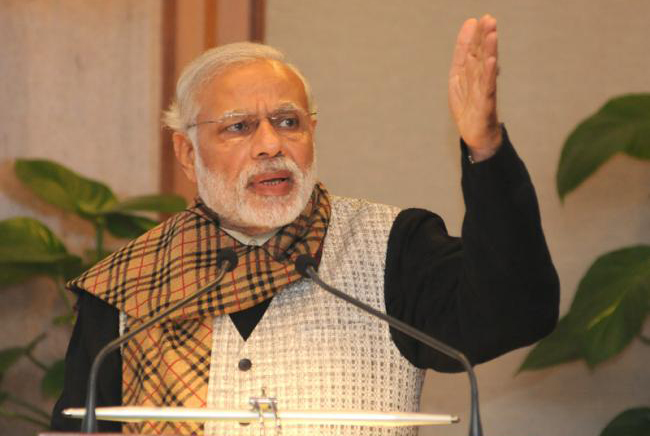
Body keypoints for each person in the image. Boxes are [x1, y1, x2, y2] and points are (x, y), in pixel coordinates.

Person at [52, 15, 559, 436]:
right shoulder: (129, 285)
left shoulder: (394, 249)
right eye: (239, 126)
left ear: (312, 133)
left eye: (288, 122)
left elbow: (517, 311)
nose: (271, 144)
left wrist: (485, 148)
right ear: (187, 153)